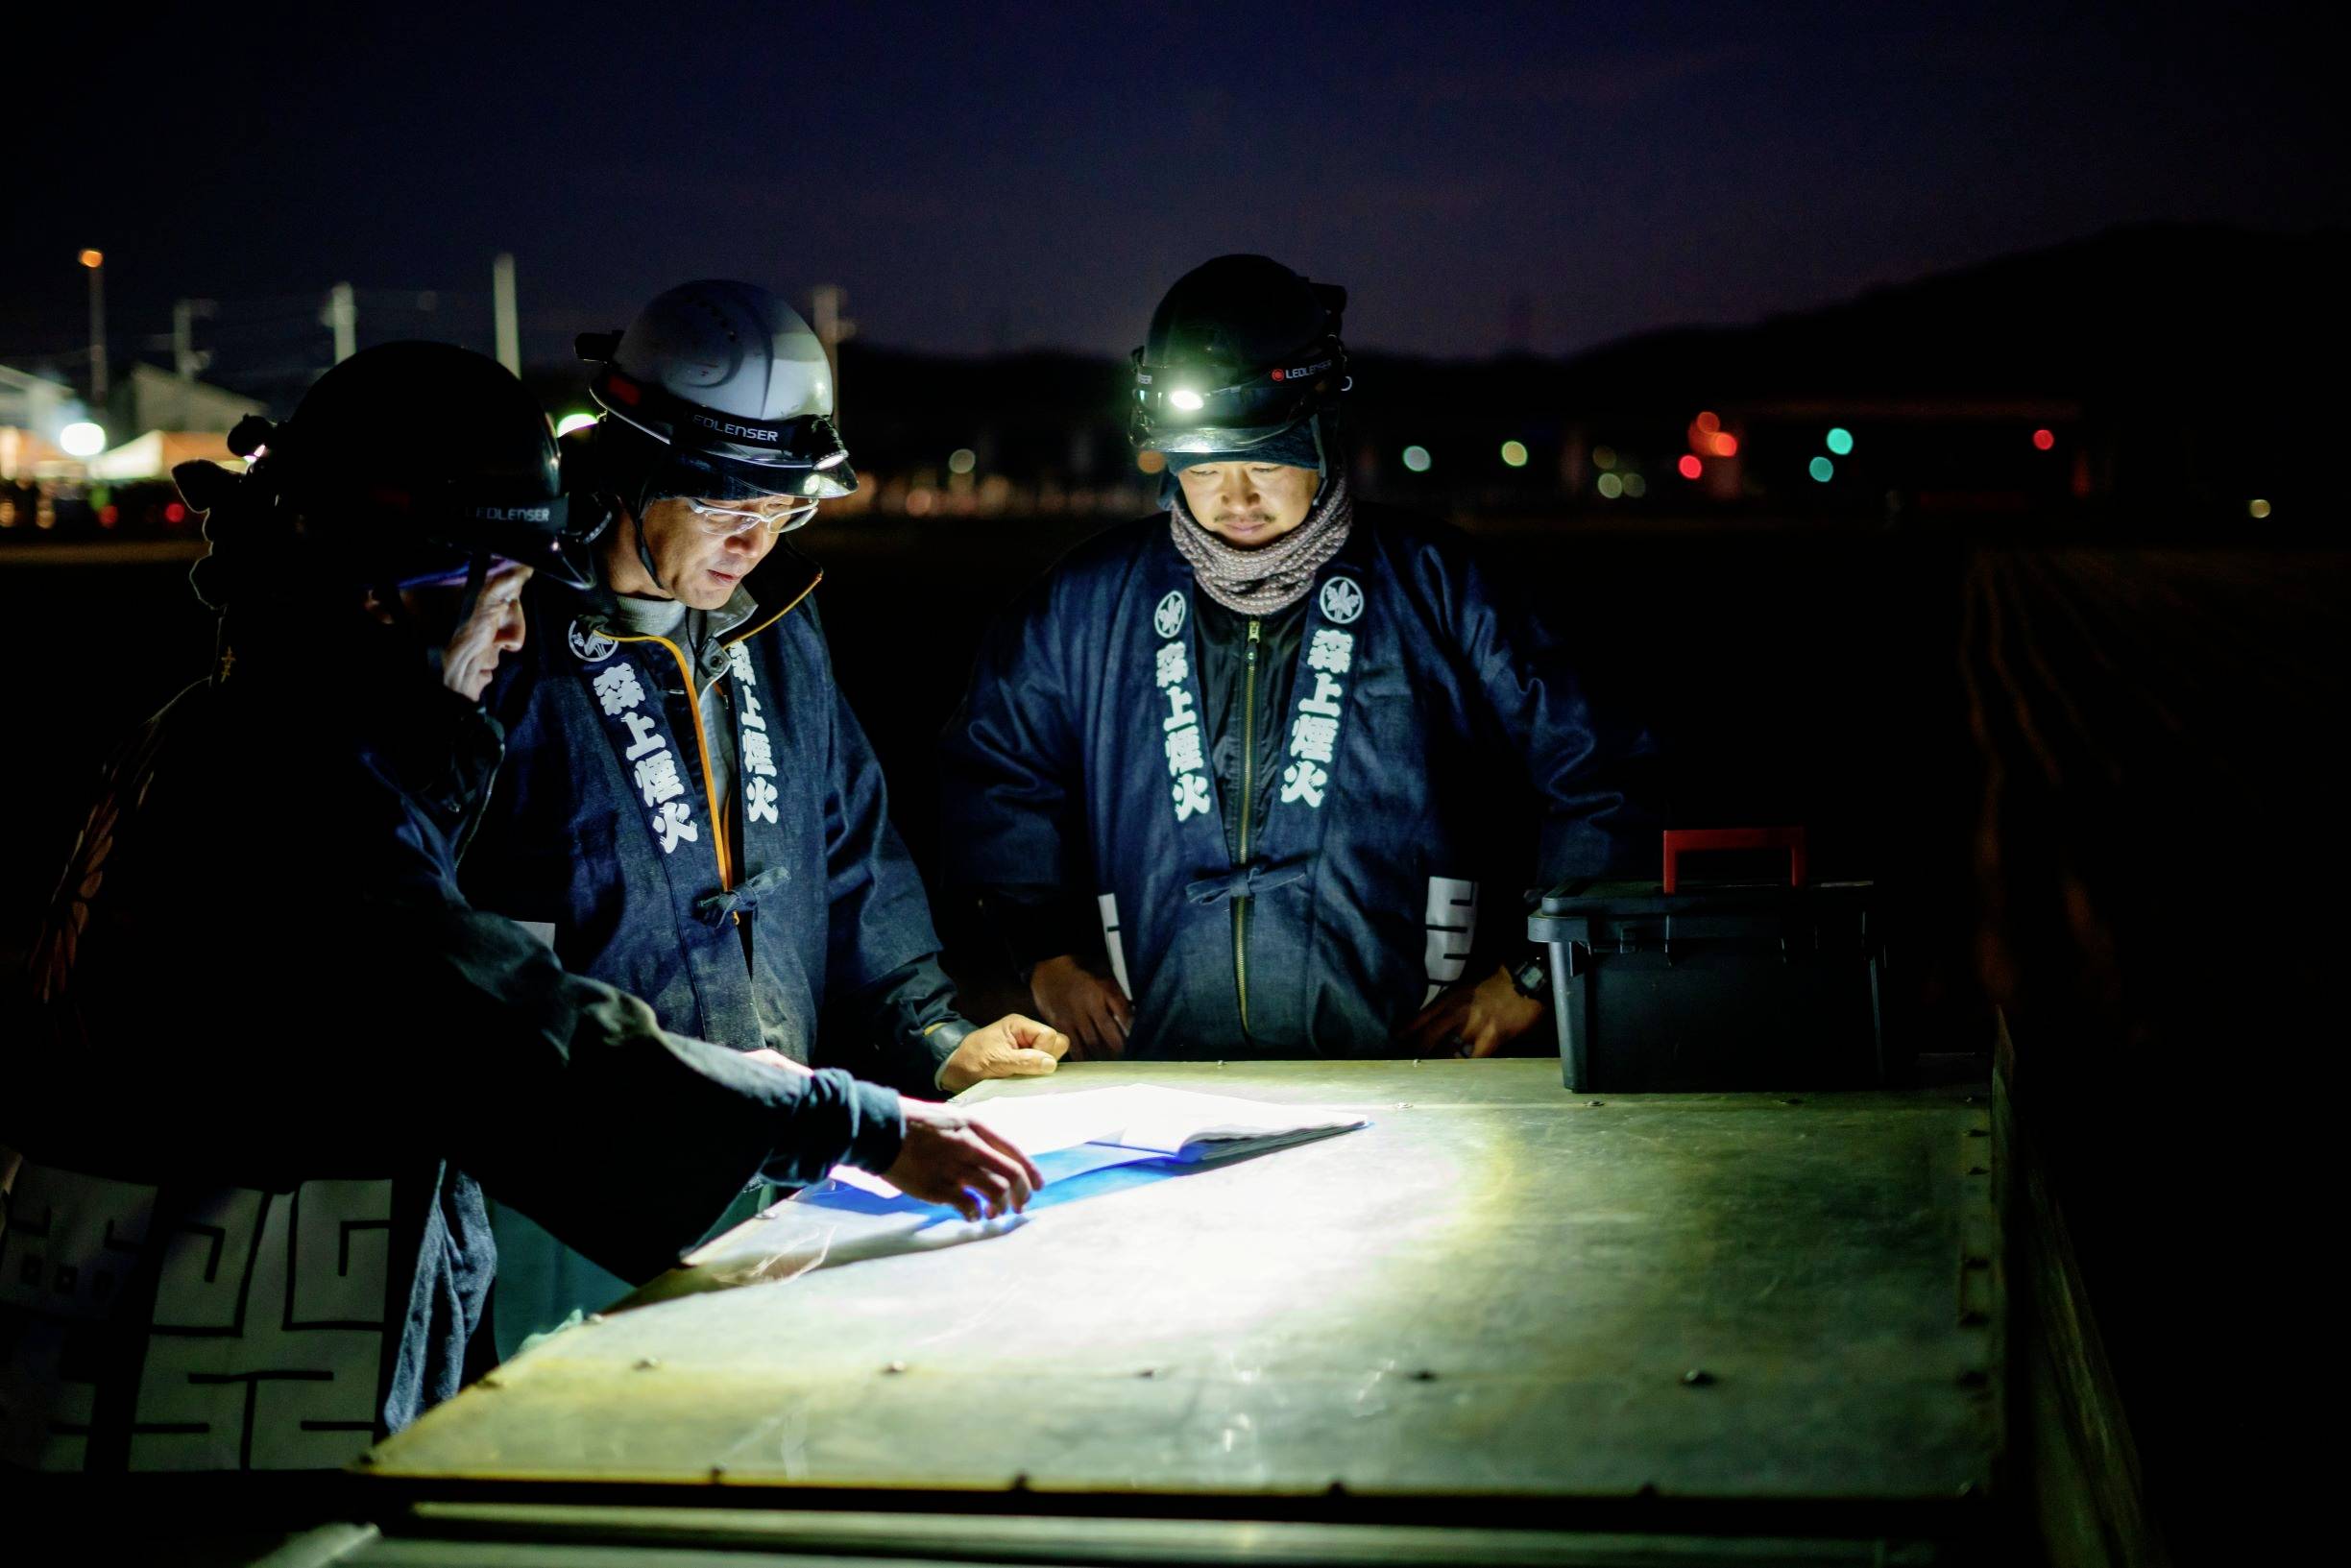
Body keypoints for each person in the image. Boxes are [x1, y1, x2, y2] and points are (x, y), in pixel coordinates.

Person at [0, 343, 1037, 1474]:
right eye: (502, 594)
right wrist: (859, 1123)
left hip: (100, 1350)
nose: (514, 632)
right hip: (208, 1398)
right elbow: (508, 1031)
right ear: (395, 593)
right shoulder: (301, 794)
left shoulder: (208, 732)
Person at [461, 283, 1066, 1342]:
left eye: (786, 505)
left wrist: (934, 1036)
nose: (758, 537)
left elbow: (850, 859)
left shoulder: (778, 628)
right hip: (558, 1205)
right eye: (727, 502)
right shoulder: (507, 641)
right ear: (641, 462)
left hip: (778, 1174)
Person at [940, 254, 1645, 1061]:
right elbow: (996, 770)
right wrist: (1045, 956)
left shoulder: (1445, 588)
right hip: (1163, 1077)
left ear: (1321, 434)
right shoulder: (1086, 602)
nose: (1236, 496)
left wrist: (1533, 972)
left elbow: (1603, 771)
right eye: (1203, 466)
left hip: (1413, 1073)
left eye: (1267, 463)